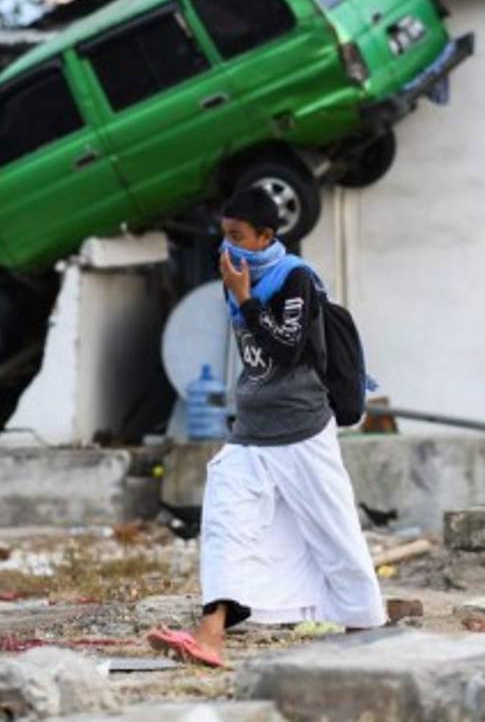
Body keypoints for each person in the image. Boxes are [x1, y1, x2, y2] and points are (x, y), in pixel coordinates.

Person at [148, 187, 386, 667]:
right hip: (252, 431)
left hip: (302, 428)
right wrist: (239, 293)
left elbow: (286, 348)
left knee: (333, 531)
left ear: (265, 237)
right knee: (225, 523)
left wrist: (246, 299)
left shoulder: (294, 278)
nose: (227, 247)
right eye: (224, 236)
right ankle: (209, 633)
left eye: (237, 236)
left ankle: (365, 624)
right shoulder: (234, 276)